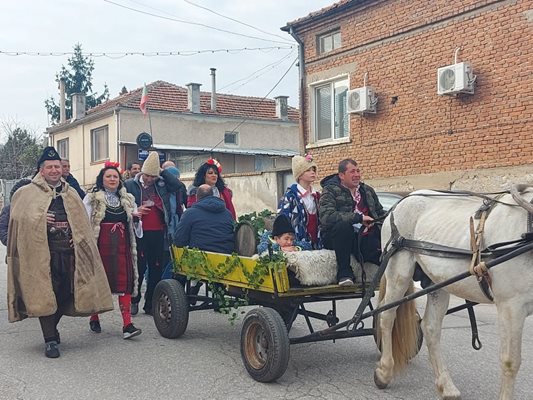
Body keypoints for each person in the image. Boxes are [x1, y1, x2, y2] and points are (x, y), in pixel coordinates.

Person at [7, 146, 113, 358]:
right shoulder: (25, 193)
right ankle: (50, 340)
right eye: (49, 167)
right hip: (40, 257)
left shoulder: (71, 192)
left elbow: (82, 222)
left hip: (68, 255)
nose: (54, 170)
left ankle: (52, 328)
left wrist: (79, 239)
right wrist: (38, 220)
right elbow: (16, 223)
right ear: (41, 170)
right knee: (44, 294)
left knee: (66, 293)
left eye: (57, 166)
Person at [83, 161, 143, 339]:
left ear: (120, 179)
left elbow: (137, 227)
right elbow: (85, 223)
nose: (112, 179)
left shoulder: (128, 199)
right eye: (108, 176)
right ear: (102, 179)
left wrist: (136, 219)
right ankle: (94, 317)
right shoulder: (92, 199)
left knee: (125, 284)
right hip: (101, 247)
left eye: (115, 176)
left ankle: (127, 325)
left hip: (122, 248)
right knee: (98, 283)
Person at [124, 151, 182, 316]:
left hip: (159, 233)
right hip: (139, 233)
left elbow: (178, 186)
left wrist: (161, 171)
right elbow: (124, 205)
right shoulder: (130, 184)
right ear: (142, 172)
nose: (150, 179)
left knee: (156, 270)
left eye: (153, 176)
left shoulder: (161, 183)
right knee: (139, 269)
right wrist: (136, 210)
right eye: (147, 175)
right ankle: (135, 300)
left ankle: (150, 304)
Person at [319, 158, 385, 286]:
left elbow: (380, 213)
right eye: (352, 172)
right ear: (342, 175)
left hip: (363, 236)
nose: (357, 175)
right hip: (336, 238)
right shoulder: (330, 190)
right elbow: (326, 217)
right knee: (343, 226)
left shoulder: (367, 191)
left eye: (358, 171)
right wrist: (358, 218)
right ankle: (344, 273)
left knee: (379, 245)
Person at [175, 184, 234, 254]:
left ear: (197, 197)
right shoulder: (227, 213)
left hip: (199, 257)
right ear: (213, 195)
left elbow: (179, 240)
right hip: (226, 256)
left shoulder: (189, 214)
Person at [278, 154, 321, 249]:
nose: (313, 172)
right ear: (300, 175)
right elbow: (283, 221)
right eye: (308, 170)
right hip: (297, 245)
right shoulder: (290, 197)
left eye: (314, 170)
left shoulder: (317, 196)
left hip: (317, 244)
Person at [0, 178, 32, 246]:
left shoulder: (39, 209)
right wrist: (15, 243)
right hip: (16, 252)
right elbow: (3, 231)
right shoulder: (9, 210)